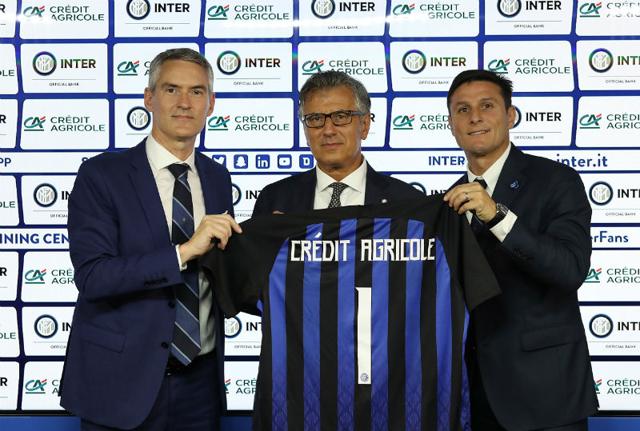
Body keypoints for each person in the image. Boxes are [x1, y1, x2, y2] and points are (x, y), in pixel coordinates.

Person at [60, 48, 241, 430]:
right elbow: (94, 276)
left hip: (200, 383)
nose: (184, 102)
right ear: (149, 98)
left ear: (211, 103)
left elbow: (222, 271)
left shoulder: (217, 177)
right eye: (171, 89)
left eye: (196, 91)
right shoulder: (101, 175)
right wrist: (183, 252)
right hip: (120, 382)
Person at [443, 69, 598, 431]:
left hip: (546, 396)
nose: (475, 117)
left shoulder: (557, 180)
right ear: (451, 124)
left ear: (511, 115)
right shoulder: (449, 201)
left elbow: (569, 269)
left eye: (487, 106)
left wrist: (497, 216)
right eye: (463, 110)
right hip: (472, 399)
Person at [253, 70, 423, 215]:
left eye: (341, 117)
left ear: (364, 125)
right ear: (305, 130)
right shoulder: (274, 199)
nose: (328, 131)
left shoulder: (408, 202)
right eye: (315, 118)